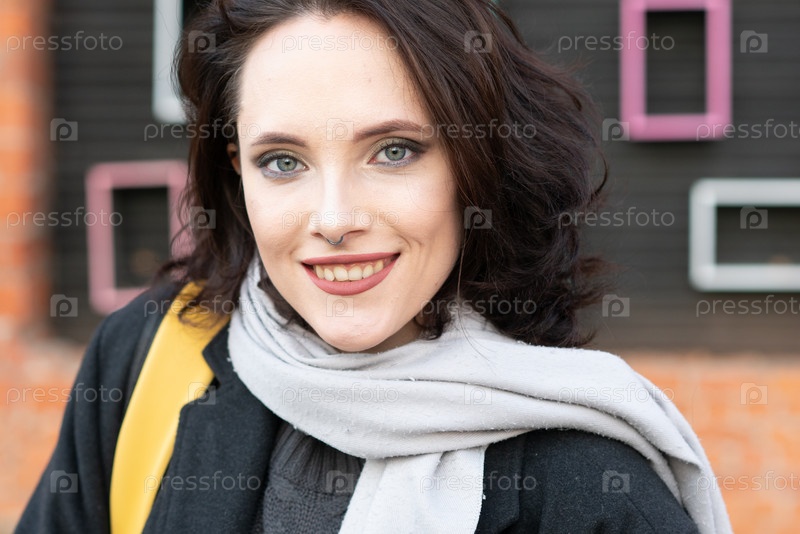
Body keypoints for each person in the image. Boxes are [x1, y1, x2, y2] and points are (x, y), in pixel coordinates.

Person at [17, 0, 732, 532]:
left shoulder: (591, 486)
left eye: (393, 151)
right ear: (237, 172)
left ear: (477, 166)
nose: (333, 220)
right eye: (282, 161)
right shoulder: (146, 356)